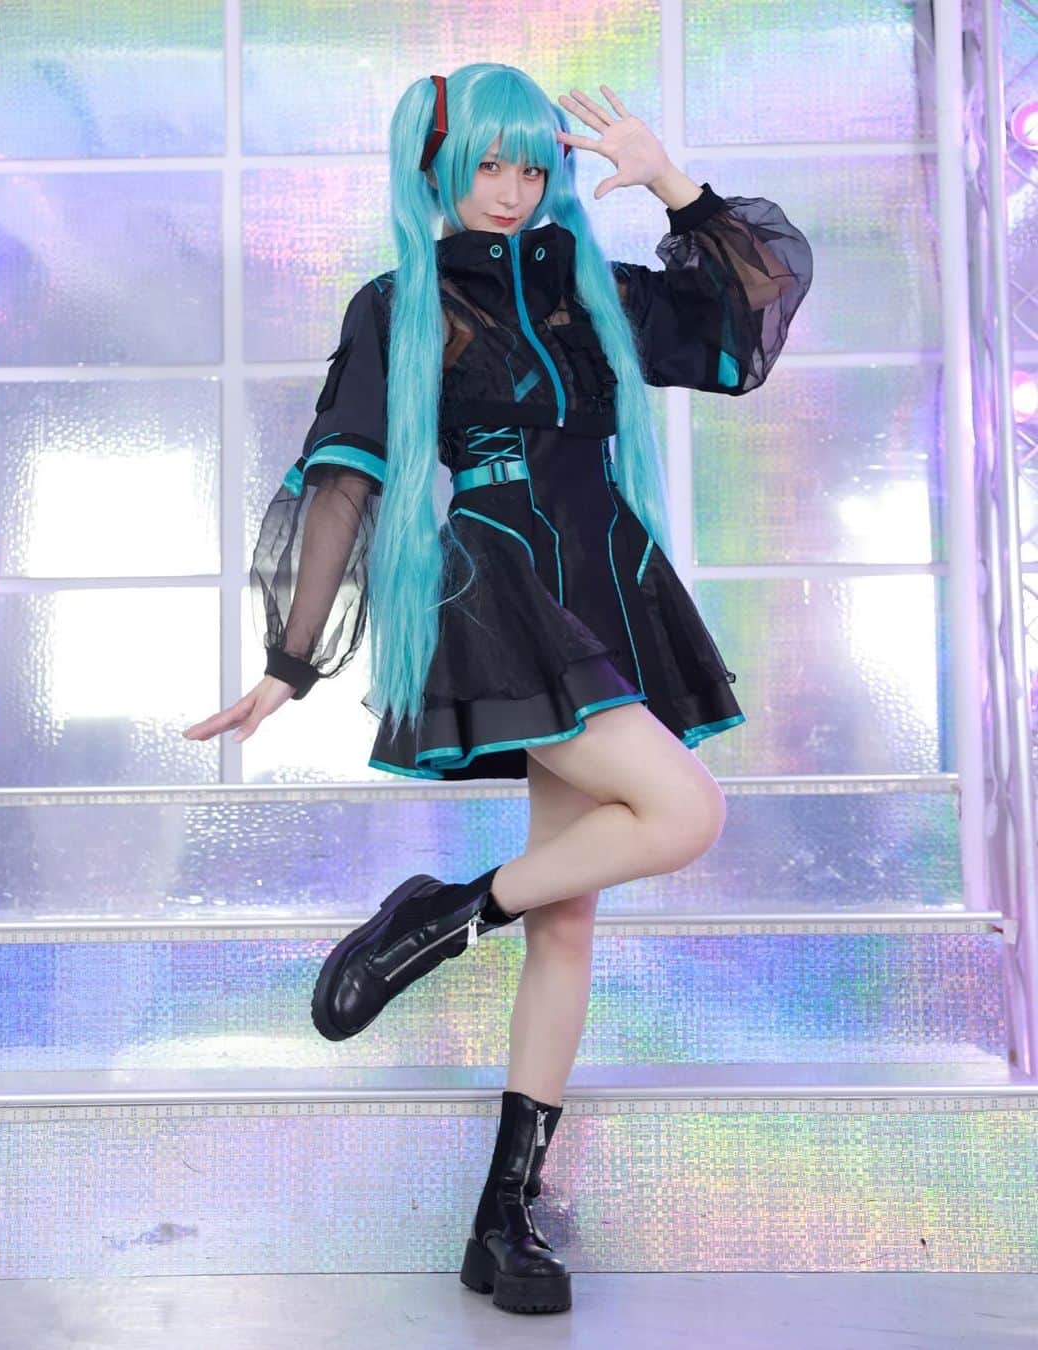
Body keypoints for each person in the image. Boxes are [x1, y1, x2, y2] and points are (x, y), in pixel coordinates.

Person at [184, 62, 812, 1316]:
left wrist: (676, 187)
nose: (515, 189)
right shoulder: (401, 303)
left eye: (534, 165)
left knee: (567, 920)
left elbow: (744, 332)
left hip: (608, 582)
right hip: (499, 584)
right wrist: (289, 663)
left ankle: (501, 1214)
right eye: (489, 164)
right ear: (435, 169)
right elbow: (346, 478)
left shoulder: (596, 292)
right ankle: (441, 917)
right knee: (686, 812)